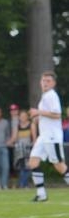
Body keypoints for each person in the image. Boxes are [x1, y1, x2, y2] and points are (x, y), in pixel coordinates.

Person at [28, 71, 69, 201]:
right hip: (43, 136)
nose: (45, 83)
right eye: (43, 80)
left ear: (53, 83)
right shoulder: (45, 96)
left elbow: (57, 114)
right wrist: (38, 118)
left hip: (52, 136)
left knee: (59, 165)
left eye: (48, 81)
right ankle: (41, 194)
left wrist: (38, 111)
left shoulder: (52, 95)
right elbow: (48, 115)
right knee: (33, 162)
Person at [12, 110, 35, 188]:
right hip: (20, 150)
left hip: (29, 148)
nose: (22, 118)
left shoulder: (31, 125)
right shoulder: (17, 126)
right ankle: (23, 184)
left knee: (28, 167)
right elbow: (15, 137)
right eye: (21, 117)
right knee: (22, 167)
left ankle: (23, 184)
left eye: (24, 116)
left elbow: (34, 138)